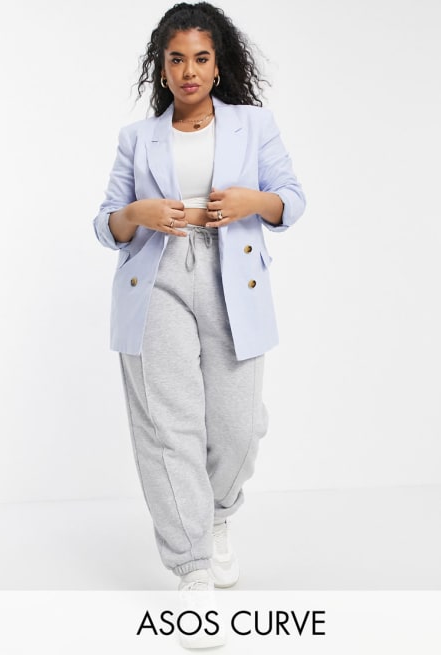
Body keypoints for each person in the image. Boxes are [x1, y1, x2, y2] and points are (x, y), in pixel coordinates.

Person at [92, 1, 305, 599]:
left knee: (239, 426)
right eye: (177, 59)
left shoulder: (253, 126)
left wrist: (251, 202)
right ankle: (191, 565)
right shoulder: (137, 139)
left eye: (201, 58)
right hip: (155, 275)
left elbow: (292, 199)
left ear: (218, 64)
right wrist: (136, 214)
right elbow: (105, 223)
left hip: (231, 276)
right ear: (161, 68)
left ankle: (215, 515)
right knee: (170, 425)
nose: (189, 71)